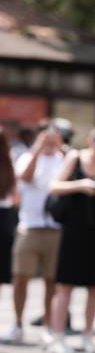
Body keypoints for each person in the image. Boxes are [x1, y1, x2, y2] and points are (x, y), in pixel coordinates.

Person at [47, 126, 95, 353]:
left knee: (94, 287)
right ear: (90, 141)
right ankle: (57, 335)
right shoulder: (75, 157)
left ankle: (88, 335)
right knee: (65, 285)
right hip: (74, 231)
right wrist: (80, 185)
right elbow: (54, 186)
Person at [2, 122, 64, 345]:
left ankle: (48, 324)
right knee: (20, 277)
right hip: (29, 225)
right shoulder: (26, 157)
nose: (48, 142)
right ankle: (18, 323)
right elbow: (26, 178)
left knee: (52, 281)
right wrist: (37, 150)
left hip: (56, 228)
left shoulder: (63, 159)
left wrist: (60, 148)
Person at [0, 127, 18, 301]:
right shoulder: (9, 160)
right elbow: (16, 196)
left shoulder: (9, 161)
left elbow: (15, 195)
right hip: (5, 217)